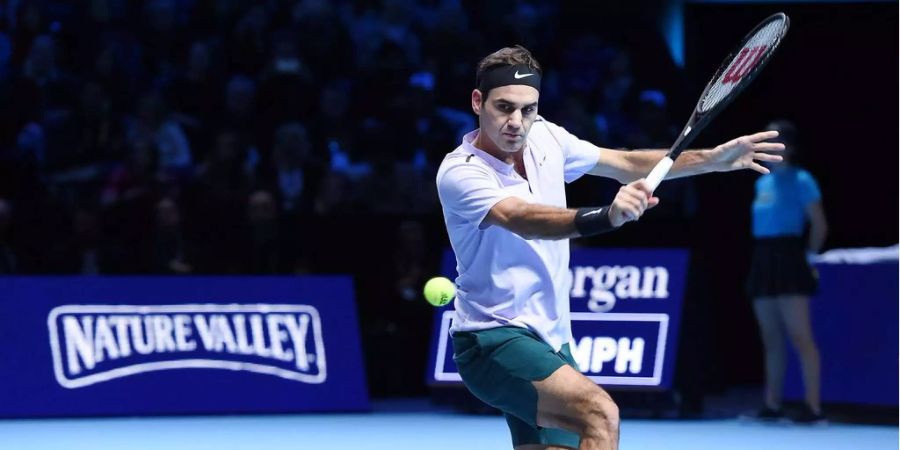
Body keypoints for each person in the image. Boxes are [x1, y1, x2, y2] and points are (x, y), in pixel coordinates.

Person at [435, 45, 784, 450]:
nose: (516, 122)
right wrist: (608, 215)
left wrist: (713, 159)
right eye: (504, 107)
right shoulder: (461, 172)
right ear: (478, 102)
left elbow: (624, 162)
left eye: (527, 109)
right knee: (600, 414)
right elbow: (523, 219)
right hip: (493, 338)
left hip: (551, 337)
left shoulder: (547, 137)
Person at [745, 120, 827, 424]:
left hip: (791, 256)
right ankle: (772, 404)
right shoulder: (761, 182)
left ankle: (813, 407)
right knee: (771, 337)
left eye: (773, 141)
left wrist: (809, 258)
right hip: (764, 257)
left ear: (788, 147)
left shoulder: (803, 179)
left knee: (800, 335)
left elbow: (818, 223)